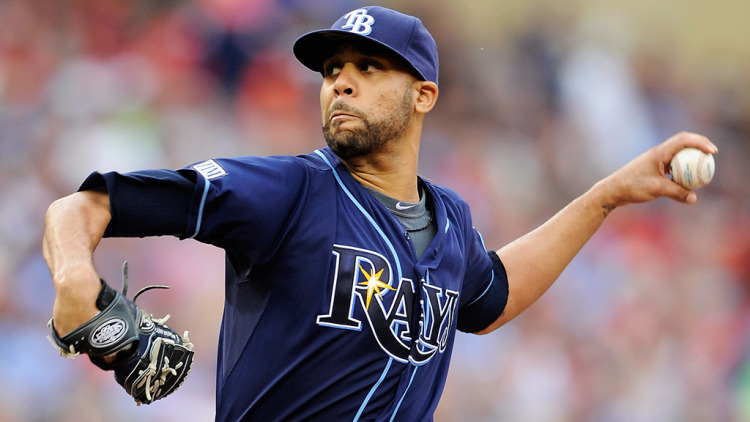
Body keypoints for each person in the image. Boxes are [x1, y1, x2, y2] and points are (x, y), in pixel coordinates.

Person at [42, 5, 718, 421]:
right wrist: (74, 280)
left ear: (423, 96)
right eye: (333, 68)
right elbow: (84, 206)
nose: (341, 80)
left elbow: (492, 296)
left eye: (368, 67)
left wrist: (606, 195)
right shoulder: (287, 191)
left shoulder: (450, 219)